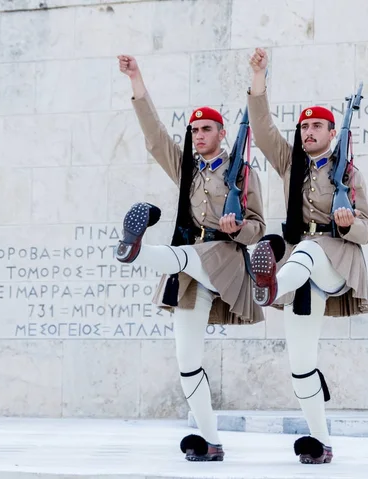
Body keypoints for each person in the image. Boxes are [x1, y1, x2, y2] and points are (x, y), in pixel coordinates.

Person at [115, 54, 274, 462]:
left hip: (222, 258)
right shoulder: (186, 168)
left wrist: (239, 228)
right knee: (187, 361)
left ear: (221, 133)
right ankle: (211, 440)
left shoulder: (241, 173)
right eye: (194, 130)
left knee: (183, 257)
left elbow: (259, 226)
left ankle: (137, 250)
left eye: (206, 129)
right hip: (189, 268)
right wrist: (137, 79)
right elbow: (154, 139)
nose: (199, 135)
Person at [246, 47, 368, 464]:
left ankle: (266, 287)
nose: (308, 132)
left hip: (336, 261)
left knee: (304, 250)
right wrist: (258, 76)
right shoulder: (291, 165)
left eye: (317, 126)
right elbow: (262, 130)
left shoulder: (348, 173)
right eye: (304, 127)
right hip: (301, 271)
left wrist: (347, 220)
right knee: (300, 363)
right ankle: (321, 443)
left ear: (332, 132)